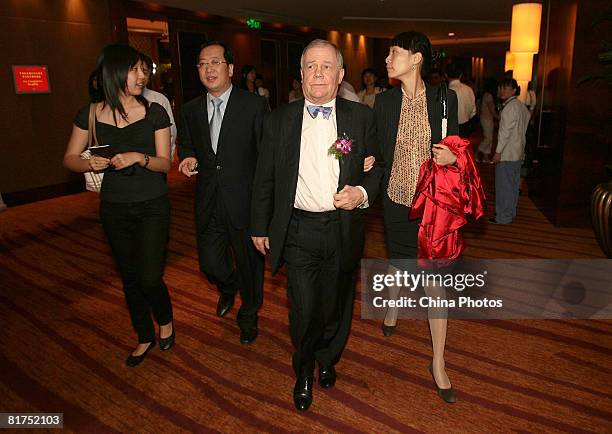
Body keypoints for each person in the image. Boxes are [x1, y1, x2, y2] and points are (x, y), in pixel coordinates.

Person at [250, 39, 383, 412]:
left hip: (343, 227)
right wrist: (259, 225)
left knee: (338, 302)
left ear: (340, 75)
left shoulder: (360, 118)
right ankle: (304, 367)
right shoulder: (278, 119)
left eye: (327, 66)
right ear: (301, 74)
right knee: (304, 306)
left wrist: (361, 191)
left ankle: (329, 356)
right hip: (297, 230)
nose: (319, 73)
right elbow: (264, 178)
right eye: (311, 66)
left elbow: (379, 167)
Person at [63, 44, 174, 367]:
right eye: (136, 70)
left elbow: (165, 164)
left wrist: (140, 157)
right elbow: (70, 158)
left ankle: (165, 319)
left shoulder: (154, 112)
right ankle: (144, 335)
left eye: (144, 70)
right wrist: (90, 164)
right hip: (113, 205)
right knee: (129, 277)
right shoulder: (90, 114)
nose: (143, 76)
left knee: (150, 277)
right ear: (115, 72)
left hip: (152, 204)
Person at [374, 31, 459, 403]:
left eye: (395, 52)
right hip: (394, 200)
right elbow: (377, 152)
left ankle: (438, 362)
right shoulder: (384, 101)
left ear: (417, 58)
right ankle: (392, 310)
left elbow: (455, 147)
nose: (388, 59)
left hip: (431, 203)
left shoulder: (445, 99)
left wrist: (452, 157)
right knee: (399, 261)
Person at [178, 41, 267, 344]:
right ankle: (228, 288)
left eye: (215, 63)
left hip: (244, 202)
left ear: (230, 68)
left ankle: (248, 314)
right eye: (203, 64)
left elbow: (264, 156)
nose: (209, 69)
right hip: (208, 200)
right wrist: (188, 157)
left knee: (250, 267)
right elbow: (188, 145)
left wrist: (262, 207)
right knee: (210, 264)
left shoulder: (253, 105)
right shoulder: (190, 109)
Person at [491, 78, 531, 224]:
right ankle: (510, 213)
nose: (502, 91)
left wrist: (497, 152)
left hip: (507, 153)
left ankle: (503, 217)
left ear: (514, 90)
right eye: (501, 88)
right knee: (513, 186)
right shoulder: (521, 106)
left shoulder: (509, 107)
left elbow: (504, 133)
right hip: (518, 151)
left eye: (506, 88)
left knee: (504, 187)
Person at [138, 53, 177, 160]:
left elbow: (171, 133)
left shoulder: (159, 99)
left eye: (145, 72)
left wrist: (165, 159)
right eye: (135, 70)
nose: (140, 76)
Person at [446, 63, 476, 138]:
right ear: (460, 75)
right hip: (465, 127)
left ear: (445, 75)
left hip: (449, 129)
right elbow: (473, 111)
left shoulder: (446, 91)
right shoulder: (468, 89)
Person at [477, 78, 499, 162]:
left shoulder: (486, 94)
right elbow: (491, 110)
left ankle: (485, 157)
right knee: (488, 138)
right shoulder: (488, 95)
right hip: (486, 119)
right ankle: (477, 152)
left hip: (487, 118)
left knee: (490, 137)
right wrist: (499, 117)